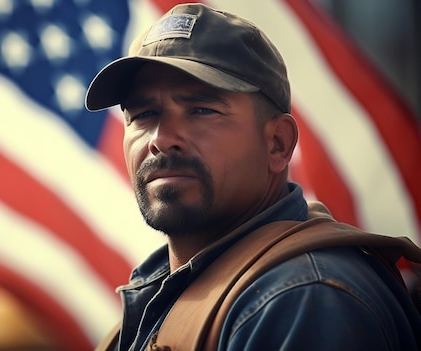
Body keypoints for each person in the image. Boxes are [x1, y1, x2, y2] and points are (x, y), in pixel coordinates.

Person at [85, 3, 421, 351]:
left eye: (201, 110)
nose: (160, 139)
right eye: (143, 114)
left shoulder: (302, 299)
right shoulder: (155, 300)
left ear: (277, 143)